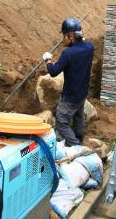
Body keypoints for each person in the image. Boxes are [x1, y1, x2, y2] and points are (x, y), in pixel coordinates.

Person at [42, 18, 94, 146]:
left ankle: (75, 145)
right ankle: (80, 137)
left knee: (61, 122)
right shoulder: (90, 47)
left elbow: (53, 71)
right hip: (82, 92)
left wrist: (47, 60)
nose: (63, 39)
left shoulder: (68, 53)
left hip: (70, 96)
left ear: (71, 36)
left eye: (64, 36)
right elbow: (84, 42)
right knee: (78, 115)